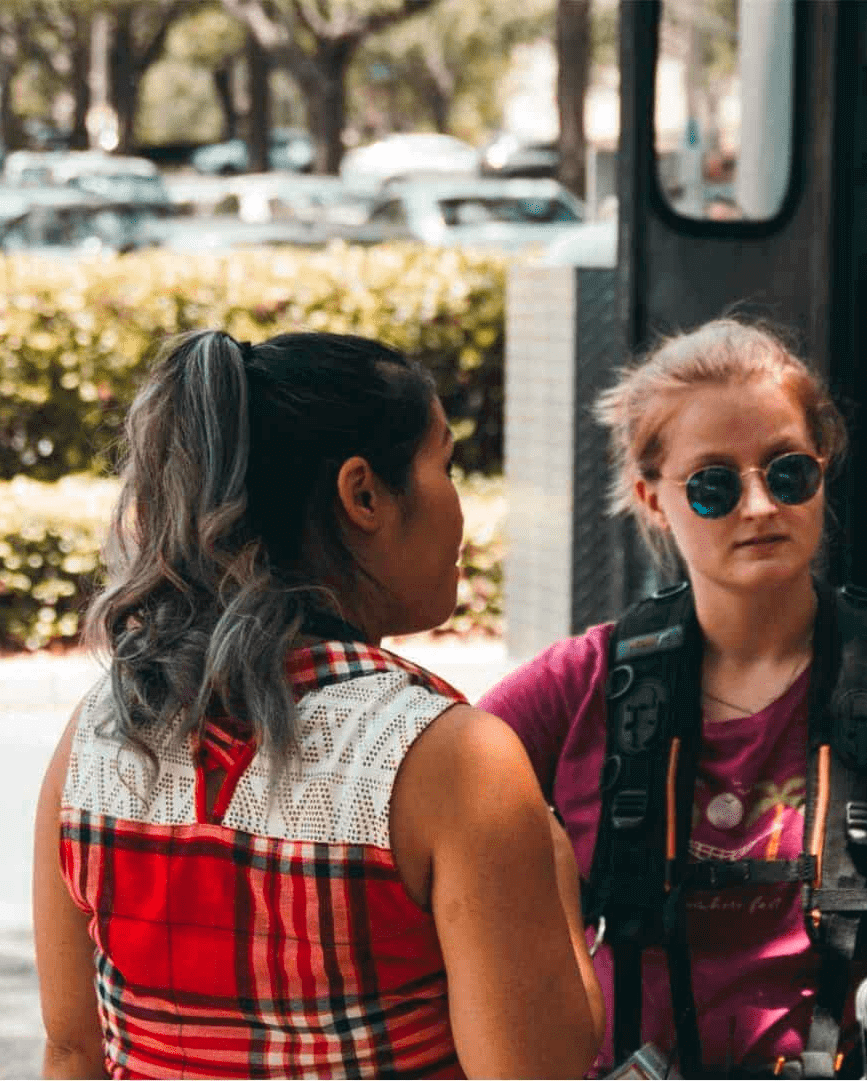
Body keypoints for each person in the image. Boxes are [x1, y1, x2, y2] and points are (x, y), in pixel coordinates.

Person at [477, 318, 867, 1078]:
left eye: (787, 473)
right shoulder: (580, 688)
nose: (758, 506)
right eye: (714, 483)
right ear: (654, 499)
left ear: (822, 471)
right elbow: (424, 806)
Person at [31, 330, 603, 1079]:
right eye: (446, 464)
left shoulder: (101, 733)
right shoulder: (453, 762)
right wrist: (551, 871)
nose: (462, 505)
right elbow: (542, 1069)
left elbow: (73, 1051)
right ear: (363, 494)